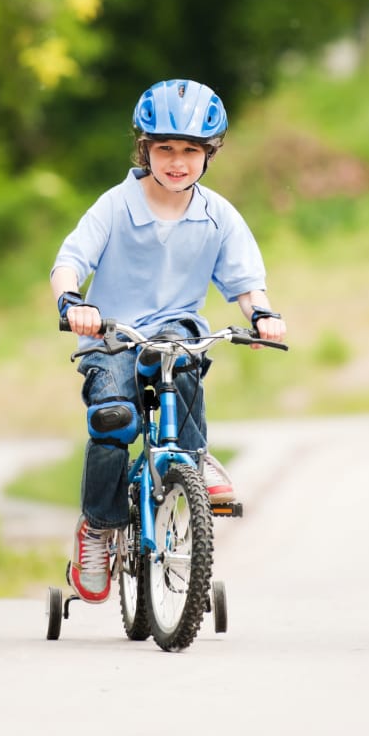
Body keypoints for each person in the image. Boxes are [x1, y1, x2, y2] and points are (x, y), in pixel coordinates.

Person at [51, 79, 287, 605]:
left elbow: (247, 283)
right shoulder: (116, 205)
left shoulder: (218, 215)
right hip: (113, 336)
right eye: (164, 149)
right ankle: (97, 528)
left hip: (173, 331)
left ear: (209, 154)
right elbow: (69, 263)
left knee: (182, 364)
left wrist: (262, 314)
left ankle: (195, 459)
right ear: (145, 150)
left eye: (189, 151)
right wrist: (73, 303)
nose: (177, 162)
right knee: (113, 419)